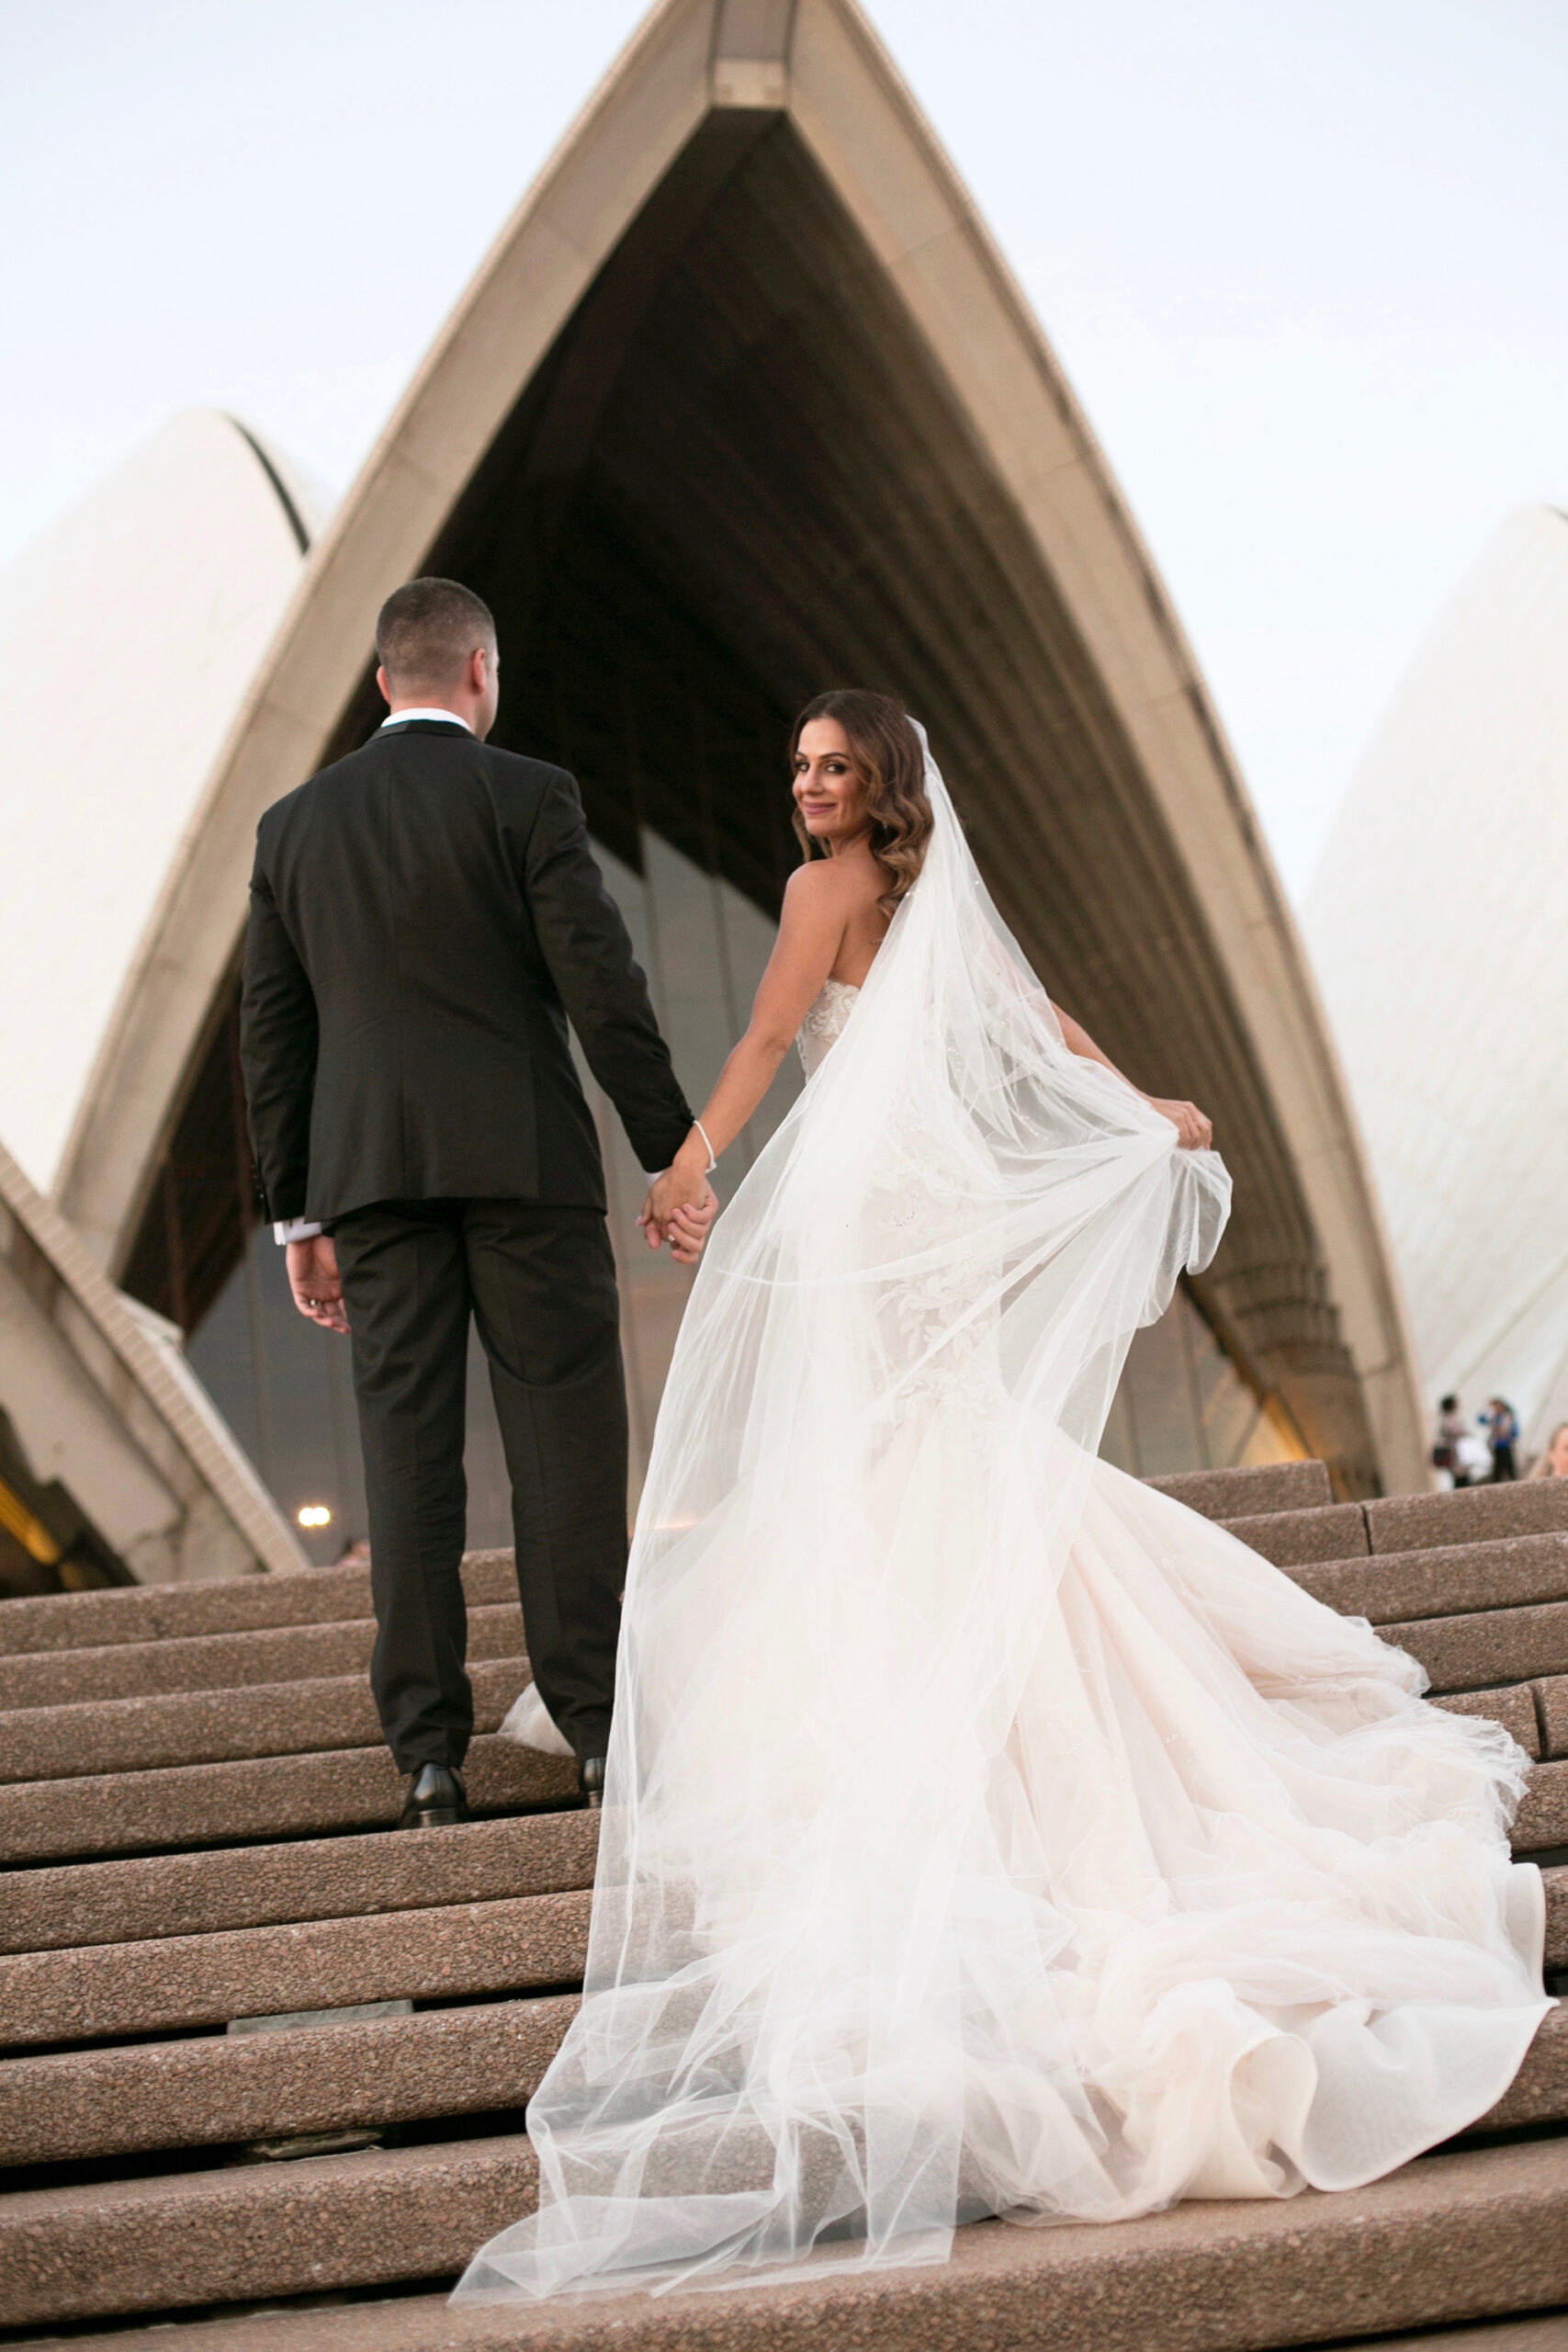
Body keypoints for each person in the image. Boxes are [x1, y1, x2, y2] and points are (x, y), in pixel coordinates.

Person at [456, 692, 1547, 2306]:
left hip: (866, 1218)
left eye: (830, 767)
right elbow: (1052, 1037)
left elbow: (769, 1038)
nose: (807, 789)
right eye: (796, 767)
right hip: (936, 1208)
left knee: (887, 1464)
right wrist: (1144, 1114)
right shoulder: (940, 902)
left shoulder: (829, 898)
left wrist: (689, 1167)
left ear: (873, 784)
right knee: (941, 1456)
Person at [240, 579, 712, 1830]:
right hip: (525, 1173)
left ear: (382, 681)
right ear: (481, 675)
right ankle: (597, 1733)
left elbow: (270, 1039)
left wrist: (297, 1215)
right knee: (563, 1450)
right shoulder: (527, 797)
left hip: (372, 1186)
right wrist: (672, 1152)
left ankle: (428, 1756)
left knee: (405, 1466)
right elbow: (601, 988)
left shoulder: (294, 828)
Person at [1433, 1392, 1471, 1486]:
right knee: (1459, 1475)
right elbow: (1458, 1431)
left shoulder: (1451, 1418)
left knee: (1461, 1474)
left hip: (1457, 1450)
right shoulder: (1447, 1419)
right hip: (1453, 1451)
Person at [1481, 1397, 1520, 1482]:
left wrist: (1510, 1438)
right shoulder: (1493, 1417)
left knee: (1509, 1467)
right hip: (1496, 1446)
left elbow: (1514, 1431)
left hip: (1506, 1446)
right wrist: (1488, 1412)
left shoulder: (1507, 1417)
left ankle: (1513, 1481)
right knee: (1498, 1468)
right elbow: (1481, 1420)